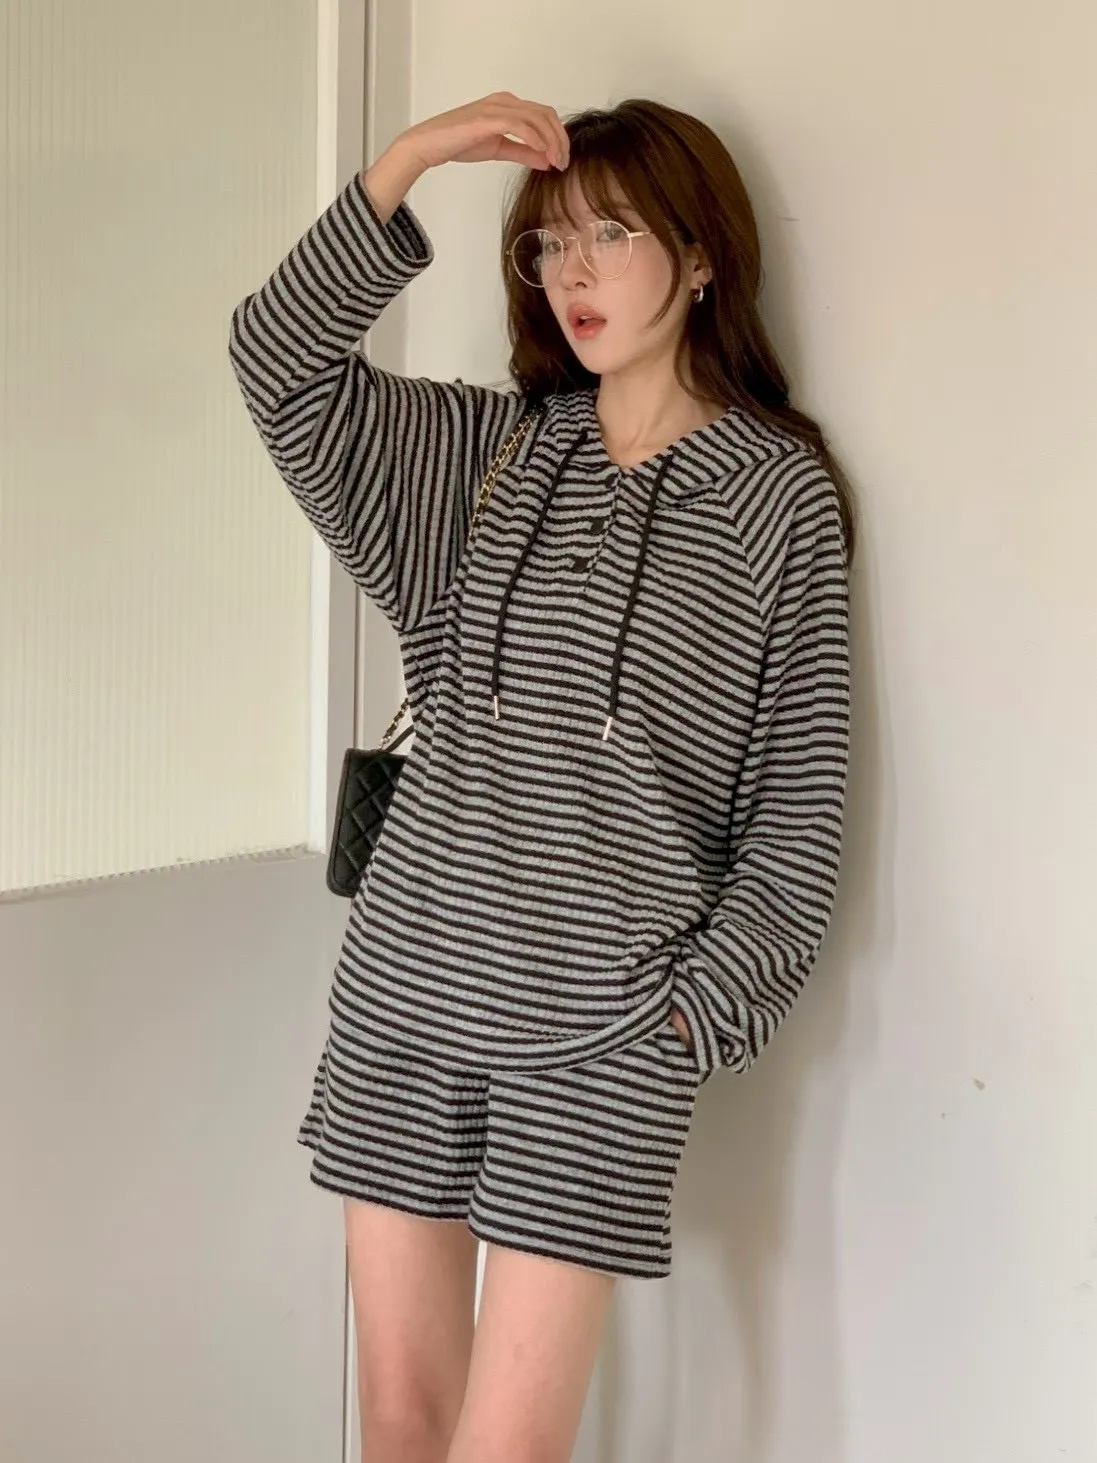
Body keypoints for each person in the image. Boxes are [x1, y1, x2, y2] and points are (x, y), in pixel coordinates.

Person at [229, 90, 854, 1463]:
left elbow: (797, 816)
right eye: (549, 241)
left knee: (507, 1447)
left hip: (600, 1035)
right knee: (400, 1423)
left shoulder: (777, 500)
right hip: (407, 990)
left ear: (703, 255)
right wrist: (410, 161)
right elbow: (277, 363)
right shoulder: (491, 456)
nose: (573, 270)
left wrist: (684, 1023)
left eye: (612, 233)